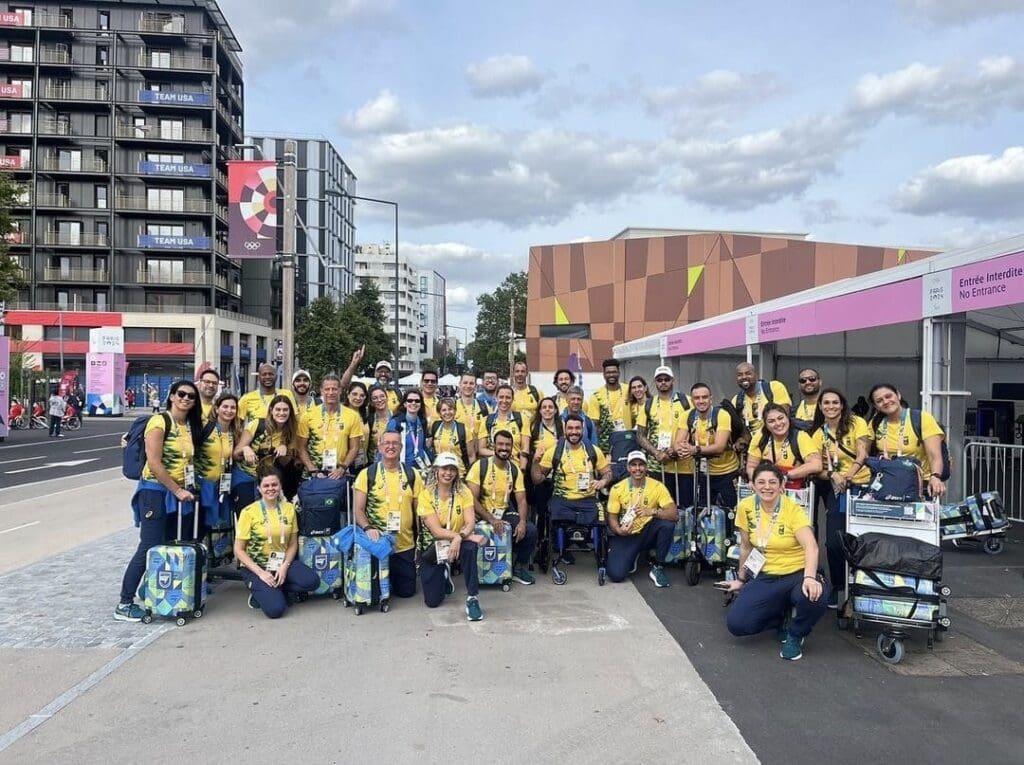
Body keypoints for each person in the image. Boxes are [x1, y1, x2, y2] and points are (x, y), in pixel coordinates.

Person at [115, 379, 205, 622]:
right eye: (181, 394)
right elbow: (154, 463)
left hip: (177, 492)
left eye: (191, 396)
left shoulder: (187, 425)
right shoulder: (159, 421)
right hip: (155, 491)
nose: (186, 399)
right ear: (172, 396)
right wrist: (177, 490)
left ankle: (150, 589)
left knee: (167, 543)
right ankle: (124, 602)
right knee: (149, 545)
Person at [723, 462, 829, 661]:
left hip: (797, 573)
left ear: (781, 486)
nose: (767, 487)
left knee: (815, 596)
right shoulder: (745, 507)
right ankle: (781, 618)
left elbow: (811, 546)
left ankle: (796, 634)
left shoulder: (792, 509)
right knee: (737, 625)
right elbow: (746, 547)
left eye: (773, 482)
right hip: (767, 574)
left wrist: (809, 577)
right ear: (752, 486)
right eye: (761, 482)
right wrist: (741, 579)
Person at [810, 388, 872, 607]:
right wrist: (833, 474)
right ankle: (838, 586)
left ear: (842, 405)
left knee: (864, 538)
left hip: (863, 485)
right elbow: (815, 467)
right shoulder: (818, 434)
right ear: (820, 407)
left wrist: (849, 474)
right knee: (834, 541)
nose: (831, 406)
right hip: (837, 490)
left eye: (835, 402)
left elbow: (864, 453)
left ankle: (866, 585)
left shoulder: (857, 423)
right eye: (826, 403)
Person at [234, 469, 319, 618]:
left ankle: (273, 589)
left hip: (281, 562)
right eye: (266, 486)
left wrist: (285, 567)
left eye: (274, 484)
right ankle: (262, 591)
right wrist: (261, 573)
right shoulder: (248, 512)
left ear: (280, 486)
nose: (271, 488)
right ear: (259, 488)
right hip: (256, 566)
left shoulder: (289, 509)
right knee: (275, 610)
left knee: (312, 582)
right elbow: (239, 550)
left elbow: (292, 544)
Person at [352, 430, 424, 599]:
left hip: (404, 545)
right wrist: (368, 527)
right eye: (387, 443)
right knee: (376, 593)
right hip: (377, 544)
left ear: (401, 447)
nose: (391, 446)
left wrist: (422, 542)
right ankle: (384, 580)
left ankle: (392, 578)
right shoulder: (367, 474)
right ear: (379, 446)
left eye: (395, 443)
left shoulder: (413, 474)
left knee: (406, 592)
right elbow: (358, 510)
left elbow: (419, 512)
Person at [417, 453, 486, 620]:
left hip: (459, 543)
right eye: (444, 469)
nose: (448, 473)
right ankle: (444, 574)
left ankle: (472, 598)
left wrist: (460, 538)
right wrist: (463, 537)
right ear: (436, 470)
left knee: (470, 548)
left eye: (452, 469)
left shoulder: (464, 492)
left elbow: (470, 523)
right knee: (433, 602)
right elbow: (436, 531)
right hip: (433, 547)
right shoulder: (425, 495)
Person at [466, 430, 538, 585]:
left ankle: (516, 567)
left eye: (508, 445)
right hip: (481, 513)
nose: (504, 448)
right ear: (494, 446)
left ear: (512, 448)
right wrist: (490, 519)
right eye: (500, 444)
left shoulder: (514, 470)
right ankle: (476, 572)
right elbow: (471, 498)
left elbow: (521, 500)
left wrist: (523, 522)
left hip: (504, 511)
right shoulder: (480, 466)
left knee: (530, 531)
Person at [606, 451, 678, 586]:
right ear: (628, 468)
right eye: (633, 465)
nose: (637, 469)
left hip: (647, 531)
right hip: (627, 533)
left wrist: (652, 511)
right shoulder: (617, 488)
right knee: (616, 575)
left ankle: (658, 566)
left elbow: (673, 514)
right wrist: (619, 530)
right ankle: (634, 555)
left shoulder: (657, 486)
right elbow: (612, 517)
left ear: (646, 467)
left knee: (667, 525)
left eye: (641, 465)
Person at [868, 383, 947, 498]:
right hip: (887, 484)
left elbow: (934, 455)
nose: (885, 401)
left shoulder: (921, 418)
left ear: (898, 395)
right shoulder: (875, 423)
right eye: (879, 400)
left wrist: (935, 476)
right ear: (876, 406)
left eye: (888, 396)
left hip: (918, 485)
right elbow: (863, 451)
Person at [534, 414, 613, 523]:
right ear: (564, 430)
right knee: (558, 524)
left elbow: (607, 472)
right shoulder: (554, 452)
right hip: (562, 500)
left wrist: (603, 481)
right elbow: (537, 479)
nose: (574, 432)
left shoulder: (593, 450)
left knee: (599, 523)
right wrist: (535, 462)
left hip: (588, 499)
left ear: (583, 429)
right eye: (570, 428)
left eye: (577, 428)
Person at [234, 395, 307, 508]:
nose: (281, 413)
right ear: (271, 410)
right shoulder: (257, 424)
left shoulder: (291, 431)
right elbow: (235, 453)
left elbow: (288, 462)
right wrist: (245, 449)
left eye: (285, 410)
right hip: (247, 474)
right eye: (278, 409)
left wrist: (285, 449)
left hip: (269, 478)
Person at [677, 383, 740, 509]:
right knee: (703, 512)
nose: (701, 401)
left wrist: (695, 449)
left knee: (730, 512)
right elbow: (678, 443)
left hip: (726, 472)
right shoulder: (687, 416)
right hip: (703, 474)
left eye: (704, 397)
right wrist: (681, 450)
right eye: (697, 398)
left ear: (711, 398)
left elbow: (719, 447)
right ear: (692, 400)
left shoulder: (721, 415)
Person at [635, 366, 690, 507]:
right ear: (655, 382)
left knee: (685, 507)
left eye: (666, 379)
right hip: (657, 466)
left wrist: (676, 449)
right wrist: (656, 453)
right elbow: (640, 435)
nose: (663, 382)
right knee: (660, 506)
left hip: (684, 465)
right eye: (660, 380)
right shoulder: (648, 404)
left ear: (672, 380)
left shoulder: (686, 401)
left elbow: (695, 428)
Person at [297, 373, 363, 481]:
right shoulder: (308, 416)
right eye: (327, 389)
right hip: (313, 474)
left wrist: (342, 468)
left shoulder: (352, 416)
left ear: (340, 390)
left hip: (339, 473)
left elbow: (355, 447)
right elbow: (301, 447)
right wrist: (312, 469)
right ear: (322, 391)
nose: (330, 392)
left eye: (334, 389)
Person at [195, 392, 241, 538]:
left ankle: (212, 557)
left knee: (214, 525)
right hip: (201, 485)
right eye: (225, 406)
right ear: (217, 409)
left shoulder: (234, 433)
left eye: (233, 407)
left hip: (218, 486)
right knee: (198, 524)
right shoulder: (205, 427)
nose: (229, 410)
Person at [745, 404, 821, 486]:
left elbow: (816, 465)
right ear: (766, 425)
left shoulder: (800, 436)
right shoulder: (760, 437)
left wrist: (785, 475)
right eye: (771, 421)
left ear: (787, 418)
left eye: (781, 418)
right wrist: (758, 480)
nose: (778, 423)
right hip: (766, 487)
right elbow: (751, 466)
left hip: (794, 488)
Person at [733, 362, 791, 449]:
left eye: (748, 373)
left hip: (779, 444)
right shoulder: (736, 400)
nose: (744, 377)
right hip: (755, 448)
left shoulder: (774, 387)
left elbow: (783, 418)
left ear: (756, 375)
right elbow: (744, 430)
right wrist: (743, 440)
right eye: (740, 375)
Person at [586, 358, 633, 452]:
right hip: (607, 445)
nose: (611, 375)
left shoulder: (629, 390)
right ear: (604, 374)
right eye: (608, 372)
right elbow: (594, 424)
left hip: (628, 441)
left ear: (619, 373)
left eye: (614, 372)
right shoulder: (596, 396)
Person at [476, 384, 526, 468]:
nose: (504, 400)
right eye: (501, 397)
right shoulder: (487, 420)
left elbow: (525, 449)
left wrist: (522, 470)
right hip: (492, 468)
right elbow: (481, 450)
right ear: (496, 398)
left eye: (508, 397)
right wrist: (502, 454)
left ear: (513, 399)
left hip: (514, 468)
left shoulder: (522, 419)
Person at [387, 389, 432, 470]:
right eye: (410, 400)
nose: (413, 403)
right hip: (402, 468)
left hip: (421, 468)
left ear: (420, 404)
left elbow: (423, 447)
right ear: (405, 404)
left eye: (417, 401)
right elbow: (389, 449)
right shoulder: (396, 422)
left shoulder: (422, 421)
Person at [428, 397, 474, 474]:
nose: (447, 412)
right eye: (444, 410)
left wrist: (471, 475)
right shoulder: (435, 426)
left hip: (459, 474)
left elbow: (471, 456)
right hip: (439, 473)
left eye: (450, 409)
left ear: (455, 411)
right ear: (439, 413)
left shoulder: (463, 430)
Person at [346, 381, 370, 471]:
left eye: (362, 395)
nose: (358, 398)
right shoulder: (342, 413)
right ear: (348, 395)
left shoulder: (365, 414)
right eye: (354, 394)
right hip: (346, 464)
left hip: (363, 462)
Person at [365, 387, 393, 465]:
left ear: (387, 398)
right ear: (371, 402)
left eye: (382, 396)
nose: (379, 400)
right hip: (374, 463)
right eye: (375, 398)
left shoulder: (397, 417)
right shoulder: (369, 420)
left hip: (394, 462)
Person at [510, 360, 542, 427]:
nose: (520, 374)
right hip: (514, 433)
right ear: (513, 373)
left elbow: (543, 412)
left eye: (523, 371)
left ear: (527, 373)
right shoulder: (508, 393)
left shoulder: (536, 392)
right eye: (517, 371)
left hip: (533, 433)